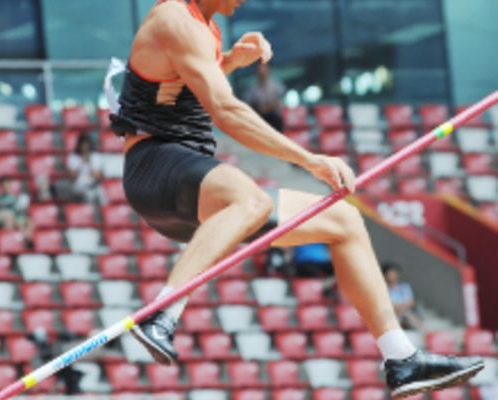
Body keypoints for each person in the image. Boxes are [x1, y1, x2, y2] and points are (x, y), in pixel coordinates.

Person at [108, 0, 484, 397]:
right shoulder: (175, 19)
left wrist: (232, 61)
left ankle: (400, 358)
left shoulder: (206, 30)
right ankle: (164, 312)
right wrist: (309, 160)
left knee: (345, 222)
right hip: (156, 165)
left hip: (187, 184)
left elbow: (179, 89)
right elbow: (224, 110)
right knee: (252, 201)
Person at [245, 61, 285, 131]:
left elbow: (278, 102)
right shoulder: (252, 90)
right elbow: (249, 105)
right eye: (259, 68)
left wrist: (266, 108)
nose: (262, 71)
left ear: (268, 69)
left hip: (275, 120)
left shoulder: (276, 85)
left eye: (264, 68)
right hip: (260, 122)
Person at [383, 262, 422, 330]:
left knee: (412, 317)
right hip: (392, 315)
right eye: (390, 274)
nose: (393, 275)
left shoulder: (404, 287)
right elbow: (389, 305)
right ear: (385, 275)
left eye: (394, 273)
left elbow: (410, 302)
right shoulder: (383, 290)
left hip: (405, 314)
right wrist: (398, 308)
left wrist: (400, 309)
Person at [0, 177, 33, 243]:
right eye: (4, 185)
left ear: (10, 185)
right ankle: (9, 241)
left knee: (29, 221)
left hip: (15, 218)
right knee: (8, 216)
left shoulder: (15, 198)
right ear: (1, 186)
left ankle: (27, 239)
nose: (6, 187)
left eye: (7, 185)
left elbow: (18, 212)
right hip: (5, 218)